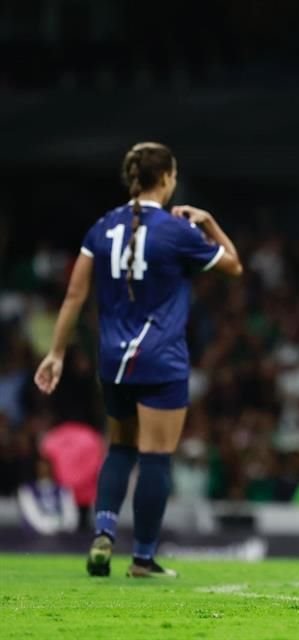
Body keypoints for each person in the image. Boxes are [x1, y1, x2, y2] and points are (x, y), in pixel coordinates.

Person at [34, 142, 243, 578]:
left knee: (121, 447)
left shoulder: (102, 228)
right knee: (155, 457)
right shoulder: (176, 231)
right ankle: (143, 558)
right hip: (161, 359)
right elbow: (234, 266)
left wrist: (55, 352)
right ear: (166, 178)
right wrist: (209, 222)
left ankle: (103, 533)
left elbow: (75, 294)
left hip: (112, 360)